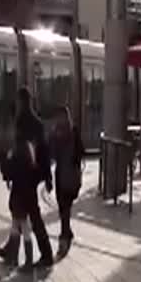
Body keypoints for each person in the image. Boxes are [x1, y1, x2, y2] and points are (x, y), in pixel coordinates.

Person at [0, 87, 54, 268]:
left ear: (22, 102)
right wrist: (47, 176)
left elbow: (18, 152)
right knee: (21, 215)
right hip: (30, 176)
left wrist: (7, 172)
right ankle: (12, 250)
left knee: (29, 216)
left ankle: (44, 254)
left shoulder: (22, 123)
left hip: (24, 176)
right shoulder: (36, 123)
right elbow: (43, 153)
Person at [0, 137, 40, 270]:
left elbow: (7, 170)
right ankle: (15, 258)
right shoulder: (29, 149)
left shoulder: (17, 151)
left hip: (18, 194)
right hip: (27, 194)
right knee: (17, 225)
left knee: (22, 226)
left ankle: (24, 261)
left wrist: (7, 158)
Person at [50, 105, 83, 256]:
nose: (60, 119)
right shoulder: (58, 132)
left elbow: (80, 151)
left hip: (68, 174)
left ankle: (64, 239)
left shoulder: (71, 132)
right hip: (62, 174)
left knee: (65, 208)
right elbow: (53, 153)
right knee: (63, 208)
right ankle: (67, 233)